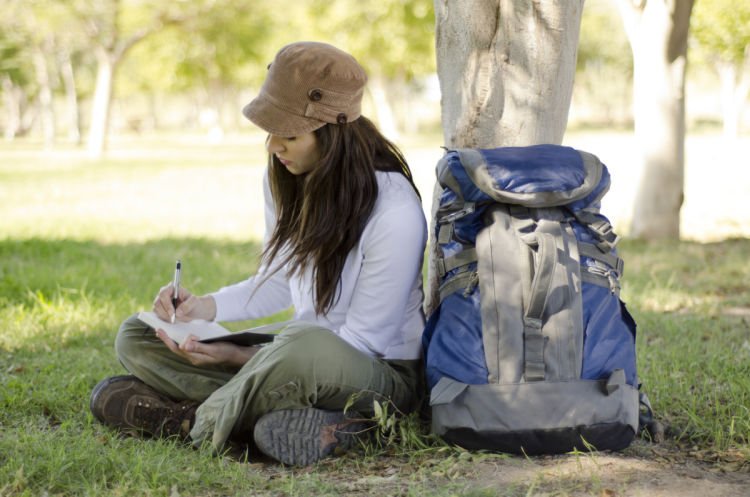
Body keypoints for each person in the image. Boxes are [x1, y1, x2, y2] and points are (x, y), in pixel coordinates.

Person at [89, 41, 427, 467]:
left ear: (332, 133)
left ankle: (194, 421)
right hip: (297, 354)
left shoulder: (394, 211)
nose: (272, 145)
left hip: (381, 373)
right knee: (136, 335)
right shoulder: (286, 181)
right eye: (269, 130)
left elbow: (363, 341)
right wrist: (201, 308)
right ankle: (318, 424)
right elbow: (280, 281)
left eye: (288, 134)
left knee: (302, 344)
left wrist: (237, 356)